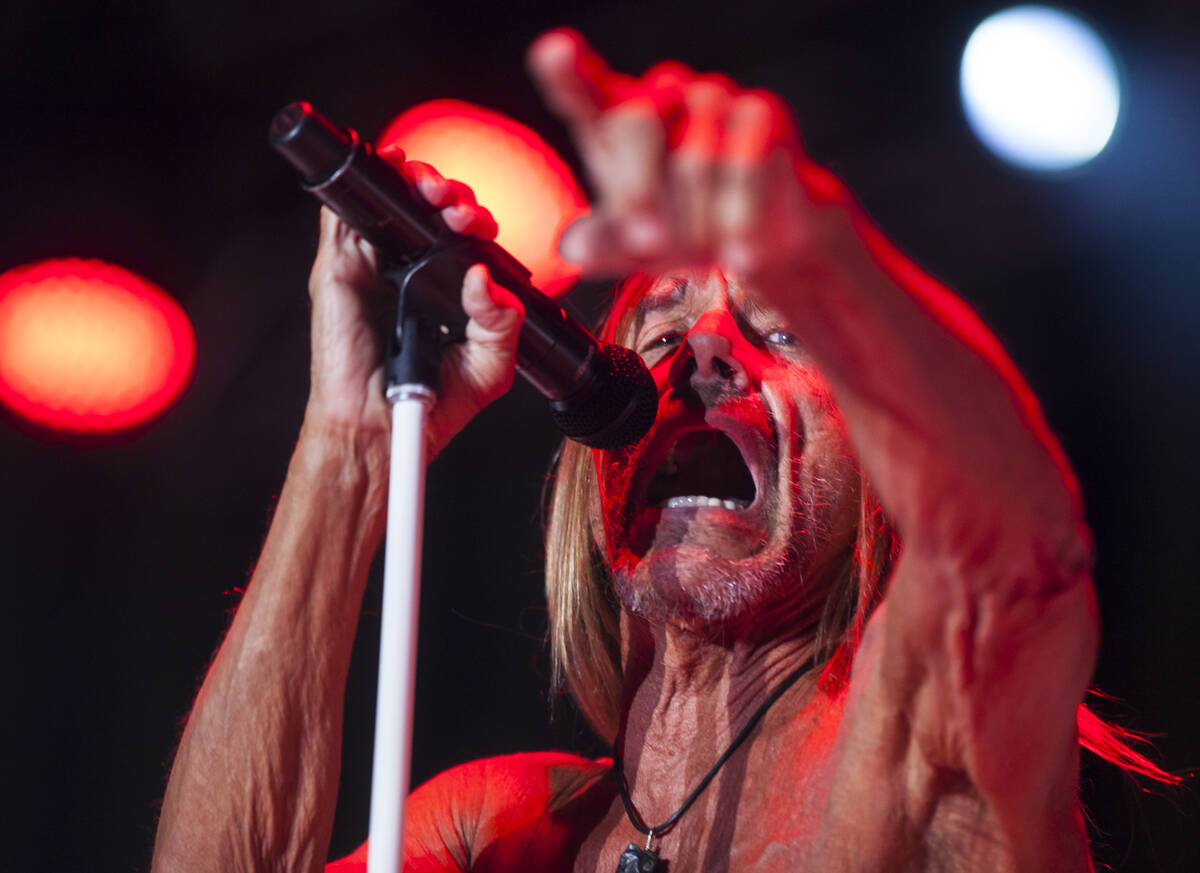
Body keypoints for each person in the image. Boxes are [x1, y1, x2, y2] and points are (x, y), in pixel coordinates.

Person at [151, 29, 1172, 873]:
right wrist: (350, 452)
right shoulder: (505, 828)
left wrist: (811, 241)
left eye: (778, 334)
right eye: (660, 333)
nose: (706, 354)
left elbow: (1018, 549)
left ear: (881, 478)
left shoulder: (924, 745)